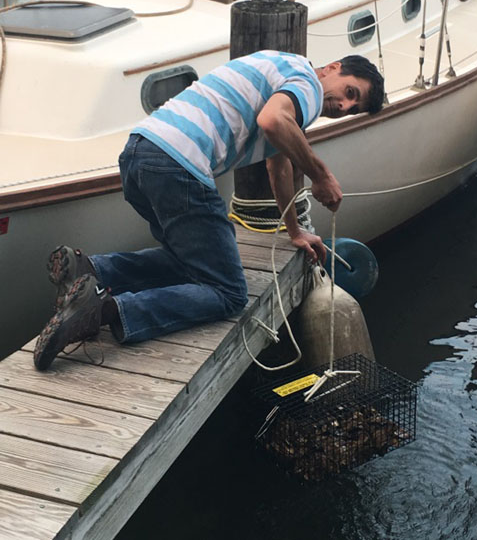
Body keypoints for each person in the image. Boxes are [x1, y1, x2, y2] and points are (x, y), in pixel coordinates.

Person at [33, 50, 384, 371]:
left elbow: (278, 167)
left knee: (190, 264)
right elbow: (272, 121)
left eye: (353, 108)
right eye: (350, 93)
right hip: (178, 163)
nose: (343, 107)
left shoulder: (283, 69)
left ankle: (90, 269)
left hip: (139, 153)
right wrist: (321, 175)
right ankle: (101, 311)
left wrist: (293, 231)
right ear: (333, 68)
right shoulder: (307, 84)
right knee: (228, 292)